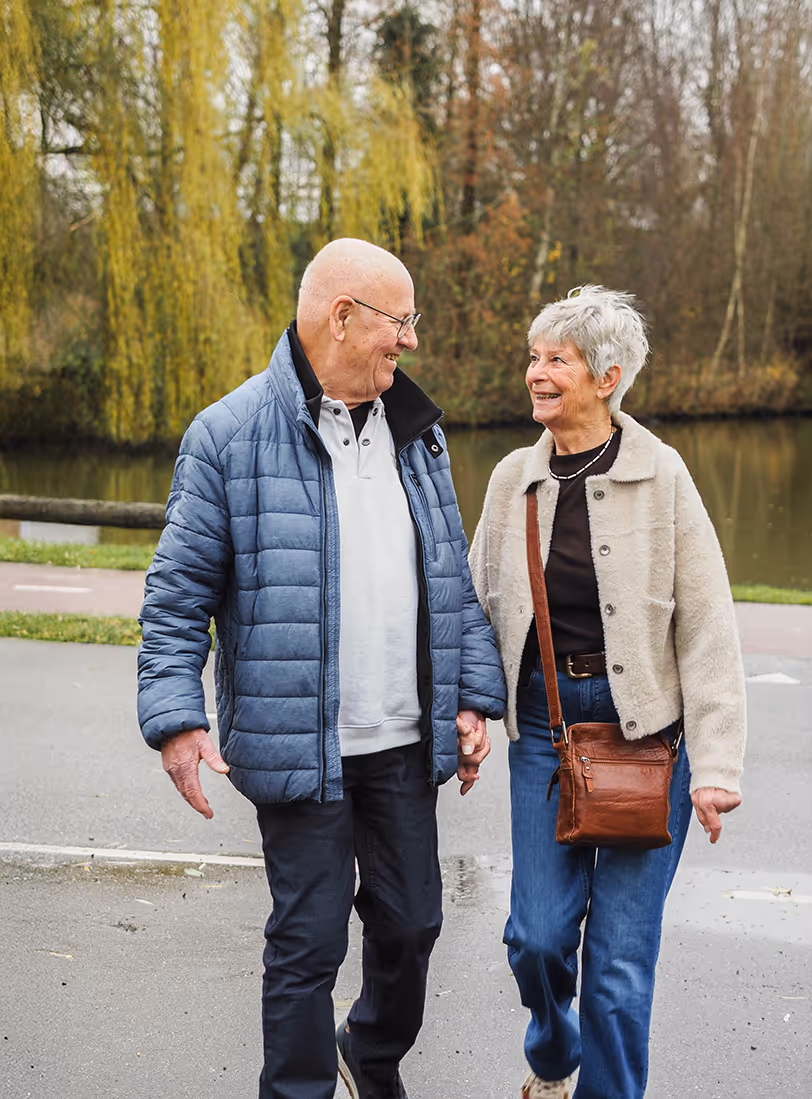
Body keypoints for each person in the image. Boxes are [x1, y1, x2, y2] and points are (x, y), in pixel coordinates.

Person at [137, 238, 506, 1099]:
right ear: (342, 317)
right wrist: (177, 719)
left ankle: (368, 1054)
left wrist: (470, 695)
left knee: (412, 925)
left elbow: (448, 576)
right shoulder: (227, 435)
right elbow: (177, 595)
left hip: (403, 740)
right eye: (400, 321)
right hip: (300, 741)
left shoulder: (419, 432)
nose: (411, 339)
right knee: (308, 942)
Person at [468, 285, 746, 1099]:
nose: (536, 372)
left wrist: (716, 766)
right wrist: (470, 707)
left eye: (556, 359)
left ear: (607, 376)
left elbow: (708, 626)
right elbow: (476, 606)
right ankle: (553, 1054)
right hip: (545, 731)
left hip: (648, 742)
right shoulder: (512, 480)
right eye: (533, 356)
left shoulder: (663, 475)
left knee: (619, 969)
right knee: (537, 940)